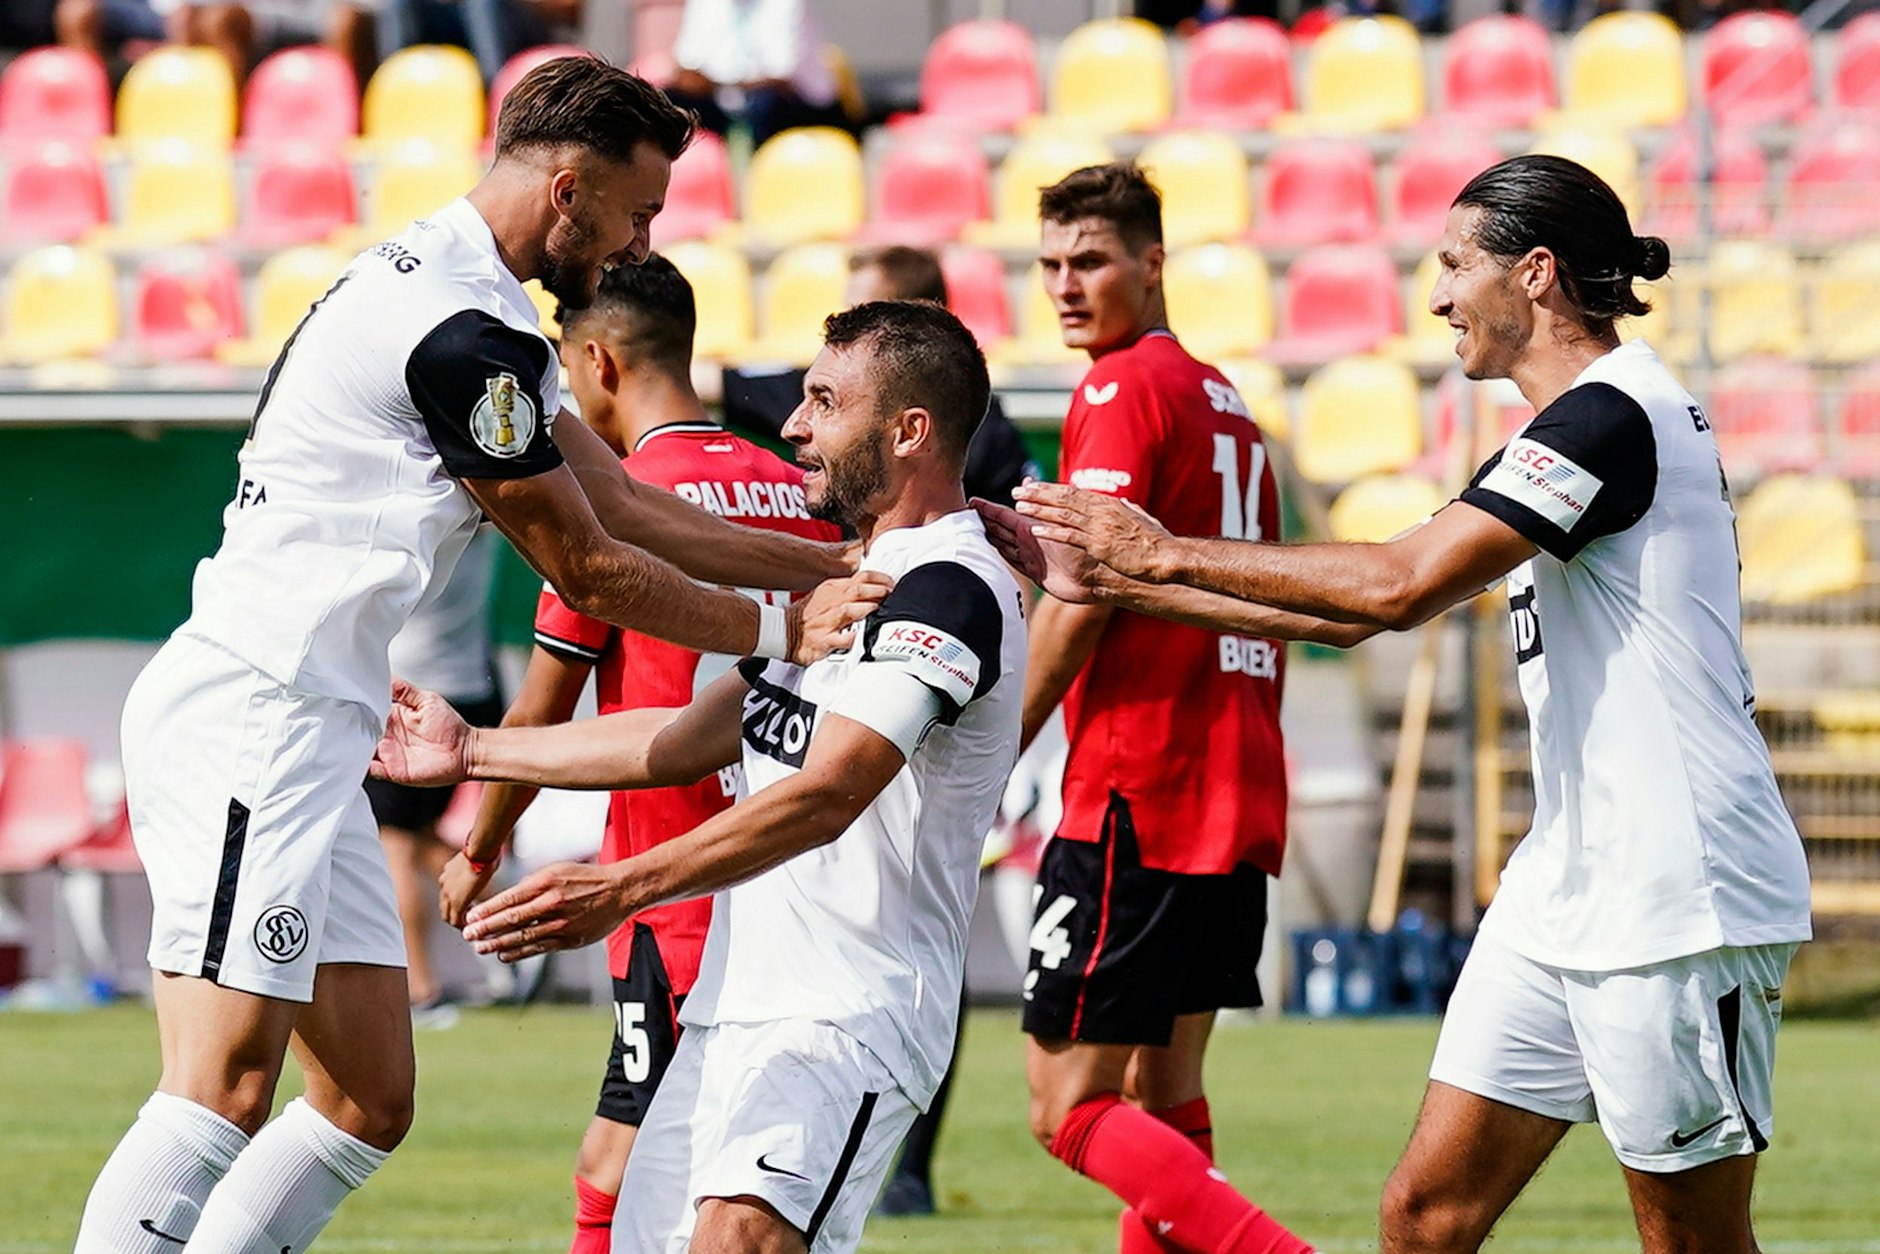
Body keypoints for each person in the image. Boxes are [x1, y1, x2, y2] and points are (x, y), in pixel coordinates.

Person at [75, 56, 884, 1254]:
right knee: (221, 1090)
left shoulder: (479, 302)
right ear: (568, 190)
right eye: (635, 212)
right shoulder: (458, 331)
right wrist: (779, 633)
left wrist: (833, 573)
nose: (634, 243)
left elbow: (625, 503)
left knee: (364, 1104)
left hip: (316, 721)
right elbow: (592, 569)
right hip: (255, 712)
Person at [989, 154, 1814, 1254]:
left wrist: (1158, 546)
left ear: (1533, 273)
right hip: (1568, 877)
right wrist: (1124, 578)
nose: (1432, 298)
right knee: (1422, 1216)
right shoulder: (1562, 429)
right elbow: (1349, 615)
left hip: (1675, 895)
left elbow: (1391, 585)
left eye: (1451, 267)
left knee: (1688, 1240)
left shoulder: (1613, 416)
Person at [371, 298, 1026, 1254]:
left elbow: (830, 793)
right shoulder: (839, 592)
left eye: (822, 401)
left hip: (844, 1021)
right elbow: (679, 739)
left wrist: (625, 885)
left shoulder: (952, 587)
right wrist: (473, 752)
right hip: (725, 1011)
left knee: (733, 1241)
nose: (793, 425)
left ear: (909, 431)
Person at [443, 253, 841, 1254]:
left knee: (618, 1167)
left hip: (673, 887)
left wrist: (478, 849)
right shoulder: (795, 488)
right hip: (790, 875)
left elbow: (543, 704)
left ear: (597, 361)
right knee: (722, 1170)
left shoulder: (615, 505)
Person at [1001, 161, 1307, 1254]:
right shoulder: (1228, 404)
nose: (1064, 286)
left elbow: (1080, 595)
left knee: (1066, 1106)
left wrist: (999, 746)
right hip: (1238, 783)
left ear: (1152, 263)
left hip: (1144, 781)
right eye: (1048, 265)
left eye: (1089, 260)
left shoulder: (1118, 388)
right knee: (1161, 1091)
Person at [723, 244, 1039, 512]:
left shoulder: (985, 429)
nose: (796, 426)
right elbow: (707, 382)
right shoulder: (818, 387)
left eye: (862, 312)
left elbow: (1015, 560)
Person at [365, 527, 503, 1023]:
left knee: (394, 845)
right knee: (419, 841)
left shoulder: (408, 521)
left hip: (411, 695)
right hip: (473, 684)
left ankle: (421, 991)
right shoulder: (485, 516)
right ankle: (516, 907)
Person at [664, 0, 846, 146]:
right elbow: (684, 65)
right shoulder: (706, 4)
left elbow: (780, 76)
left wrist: (717, 83)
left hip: (802, 104)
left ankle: (765, 177)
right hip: (730, 100)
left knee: (764, 103)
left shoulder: (786, 4)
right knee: (672, 100)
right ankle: (695, 173)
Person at [150, 0, 379, 84]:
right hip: (255, 17)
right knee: (218, 20)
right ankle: (228, 123)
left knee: (347, 19)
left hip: (319, 14)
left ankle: (341, 116)